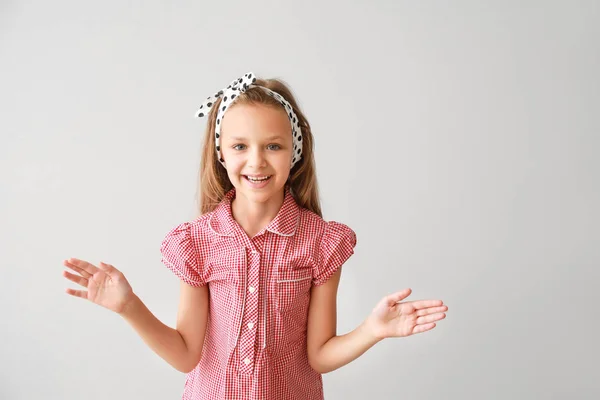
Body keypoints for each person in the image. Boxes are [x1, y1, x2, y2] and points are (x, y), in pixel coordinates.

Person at [62, 72, 448, 400]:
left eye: (273, 146)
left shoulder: (320, 243)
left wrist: (372, 330)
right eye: (240, 146)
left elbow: (319, 355)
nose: (257, 161)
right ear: (221, 154)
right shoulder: (197, 242)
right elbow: (185, 355)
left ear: (294, 152)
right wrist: (130, 306)